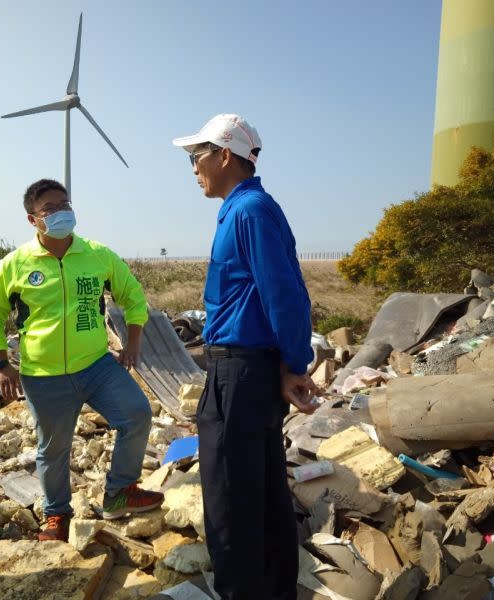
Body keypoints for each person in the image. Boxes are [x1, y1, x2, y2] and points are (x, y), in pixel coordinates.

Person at [172, 114, 319, 600]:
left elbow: (286, 295)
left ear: (224, 155)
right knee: (262, 492)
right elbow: (273, 294)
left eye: (197, 157)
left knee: (231, 502)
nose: (193, 168)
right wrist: (285, 364)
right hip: (251, 372)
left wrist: (294, 364)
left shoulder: (249, 211)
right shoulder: (248, 208)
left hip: (238, 374)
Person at [0, 178, 164, 542]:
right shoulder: (15, 264)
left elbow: (133, 296)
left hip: (96, 365)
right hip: (42, 375)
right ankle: (56, 516)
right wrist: (0, 363)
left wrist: (133, 342)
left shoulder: (97, 254)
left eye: (65, 204)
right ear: (33, 220)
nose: (62, 212)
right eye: (50, 208)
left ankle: (120, 491)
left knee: (137, 413)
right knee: (53, 448)